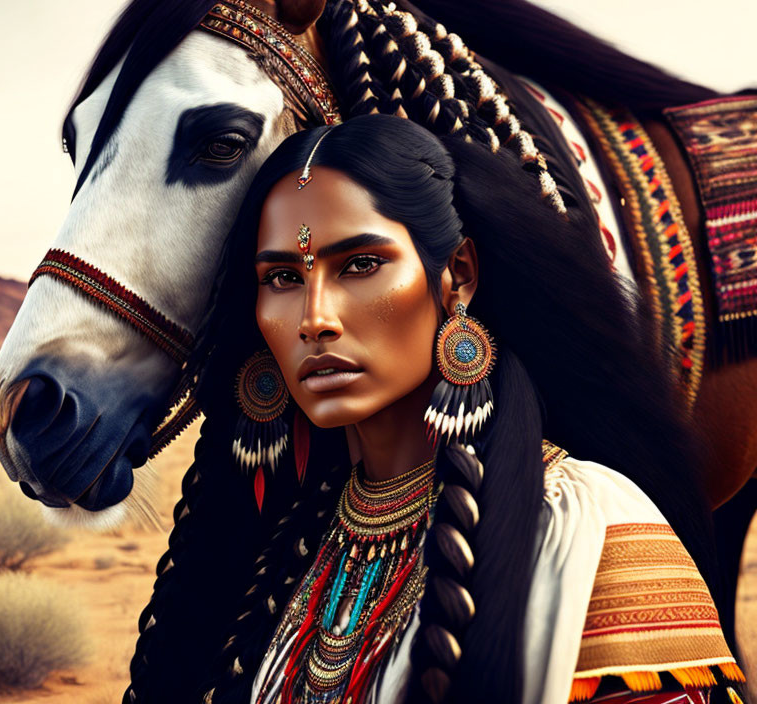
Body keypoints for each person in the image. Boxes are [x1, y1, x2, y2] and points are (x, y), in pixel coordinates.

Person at [124, 115, 744, 704]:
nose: (314, 318)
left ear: (458, 276)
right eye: (284, 277)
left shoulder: (589, 527)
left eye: (360, 265)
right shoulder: (282, 546)